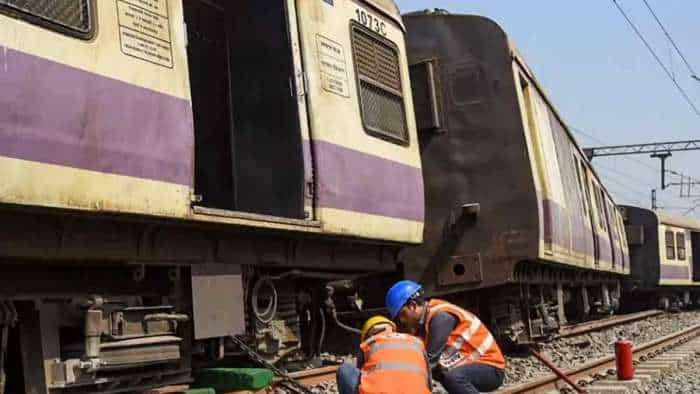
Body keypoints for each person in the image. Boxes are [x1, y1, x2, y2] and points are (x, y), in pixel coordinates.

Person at [385, 281, 506, 394]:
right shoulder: (422, 326)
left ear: (413, 306)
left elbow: (428, 363)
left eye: (401, 315)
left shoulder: (440, 317)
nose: (401, 321)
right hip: (469, 365)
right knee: (443, 374)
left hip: (491, 366)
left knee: (453, 378)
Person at [336, 315, 432, 394]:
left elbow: (359, 373)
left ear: (369, 335)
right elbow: (428, 382)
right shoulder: (417, 343)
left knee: (345, 369)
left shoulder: (369, 343)